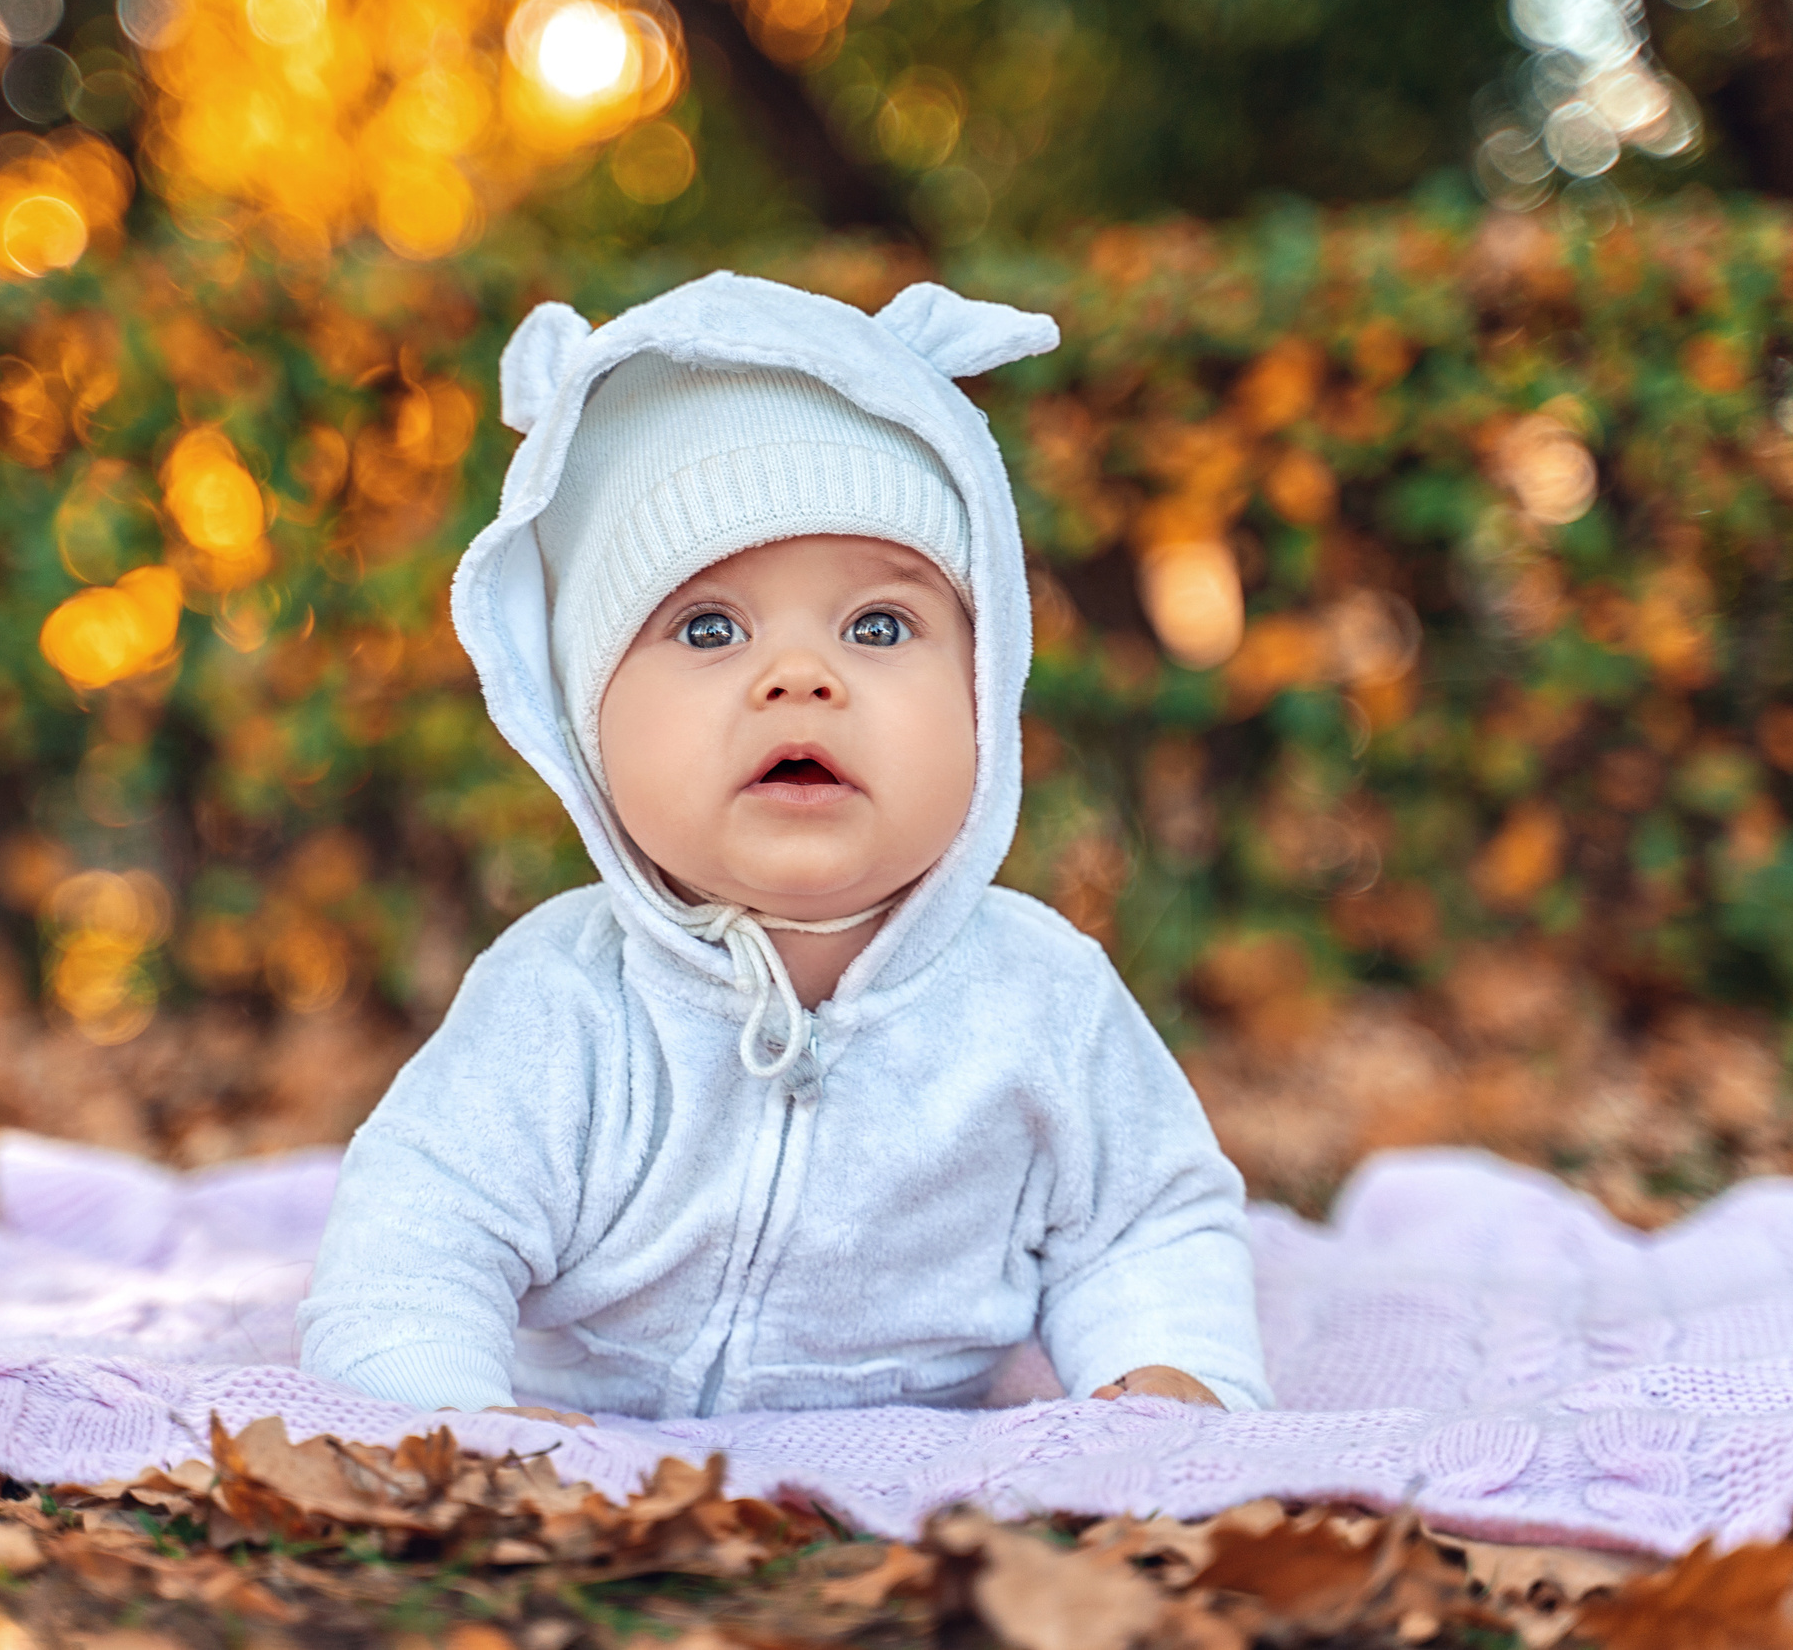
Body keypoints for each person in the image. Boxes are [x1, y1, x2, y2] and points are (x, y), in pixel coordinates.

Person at [296, 272, 1269, 1424]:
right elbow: (412, 1240)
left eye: (878, 626)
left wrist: (1170, 1376)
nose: (800, 676)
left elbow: (1144, 1221)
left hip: (920, 1473)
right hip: (592, 1442)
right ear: (584, 722)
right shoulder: (559, 1002)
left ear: (985, 688)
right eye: (708, 627)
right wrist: (449, 1417)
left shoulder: (1042, 998)